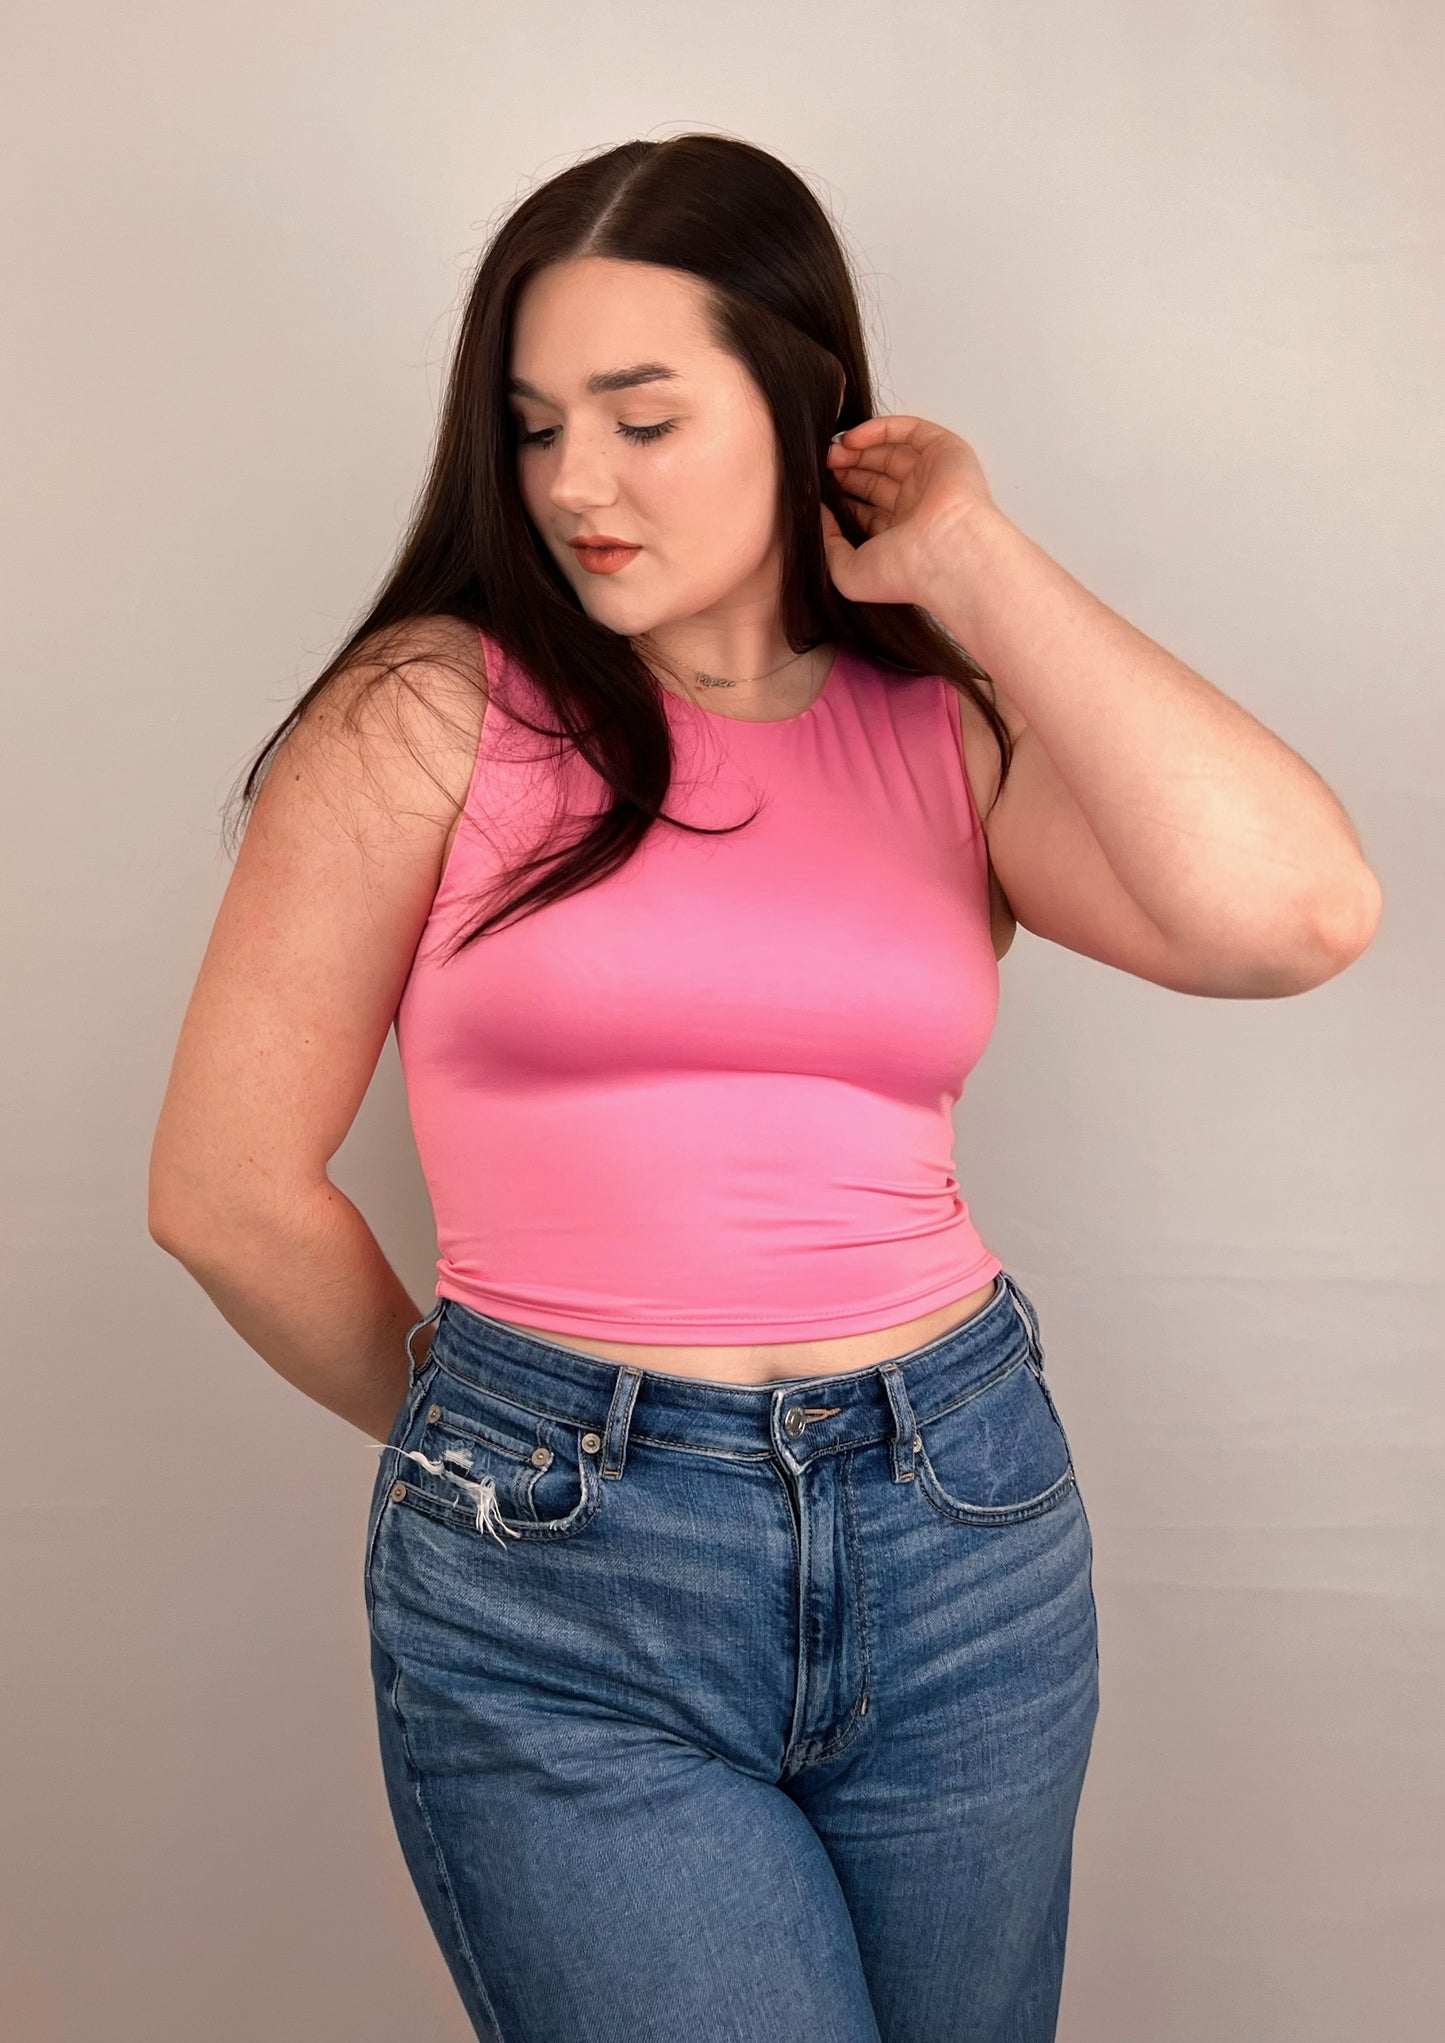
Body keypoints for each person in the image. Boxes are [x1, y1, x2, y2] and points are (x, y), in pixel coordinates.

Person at [148, 133, 1382, 2043]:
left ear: (806, 413)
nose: (574, 483)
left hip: (961, 1532)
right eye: (539, 422)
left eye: (645, 419)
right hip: (566, 1580)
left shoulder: (944, 730)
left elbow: (1295, 912)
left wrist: (965, 553)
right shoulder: (426, 711)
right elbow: (226, 1190)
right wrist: (500, 1428)